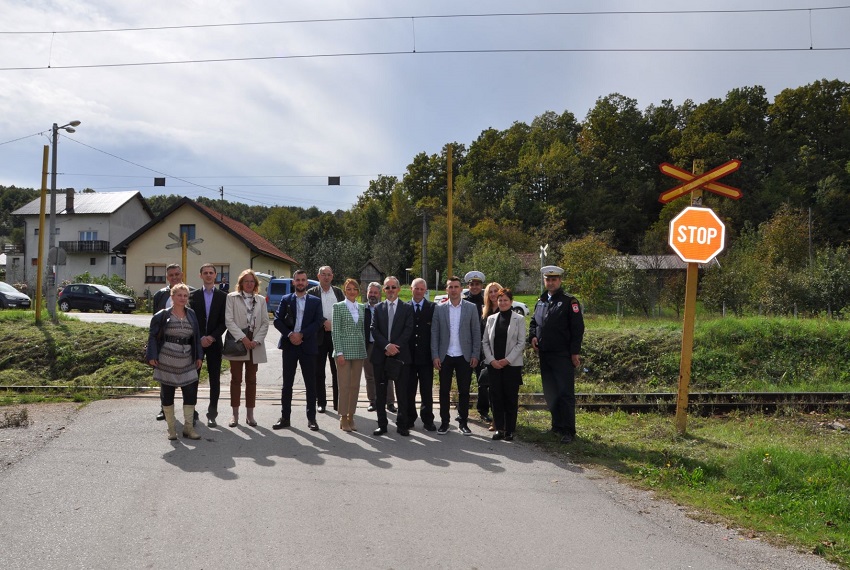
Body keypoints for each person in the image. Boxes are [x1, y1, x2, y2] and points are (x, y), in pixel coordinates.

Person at [528, 265, 585, 444]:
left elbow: (578, 329)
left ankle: (568, 430)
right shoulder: (542, 300)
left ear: (560, 281)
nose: (551, 282)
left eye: (554, 279)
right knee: (550, 392)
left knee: (565, 393)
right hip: (545, 353)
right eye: (548, 279)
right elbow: (533, 322)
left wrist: (575, 352)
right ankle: (557, 426)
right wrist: (532, 336)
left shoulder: (570, 301)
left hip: (562, 354)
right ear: (545, 281)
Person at [146, 283, 204, 441]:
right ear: (172, 297)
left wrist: (199, 356)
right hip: (166, 360)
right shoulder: (162, 315)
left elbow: (196, 337)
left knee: (191, 394)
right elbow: (152, 336)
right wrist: (152, 356)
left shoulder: (191, 314)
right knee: (167, 395)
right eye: (179, 295)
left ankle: (188, 428)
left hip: (187, 360)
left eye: (185, 296)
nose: (183, 298)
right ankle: (171, 429)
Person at [273, 270, 323, 432]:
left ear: (307, 282)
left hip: (307, 346)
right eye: (298, 280)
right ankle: (285, 417)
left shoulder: (315, 301)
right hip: (289, 346)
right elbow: (277, 320)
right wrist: (290, 335)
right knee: (287, 384)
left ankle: (312, 418)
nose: (300, 282)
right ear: (293, 282)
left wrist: (301, 335)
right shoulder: (286, 300)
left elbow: (318, 322)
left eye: (303, 280)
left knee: (311, 384)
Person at [431, 275, 481, 435]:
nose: (453, 290)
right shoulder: (439, 308)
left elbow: (476, 332)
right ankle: (444, 423)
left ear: (461, 289)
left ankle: (463, 422)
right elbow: (435, 333)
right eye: (450, 287)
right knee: (444, 391)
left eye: (456, 287)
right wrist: (435, 355)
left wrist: (475, 354)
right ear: (447, 289)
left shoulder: (471, 308)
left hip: (464, 356)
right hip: (445, 356)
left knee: (464, 391)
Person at [224, 269, 270, 428]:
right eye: (246, 281)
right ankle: (234, 415)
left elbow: (265, 322)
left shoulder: (261, 300)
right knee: (236, 379)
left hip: (254, 344)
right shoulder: (232, 298)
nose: (249, 284)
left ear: (256, 284)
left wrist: (256, 340)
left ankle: (250, 415)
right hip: (238, 342)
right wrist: (243, 338)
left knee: (251, 380)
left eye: (252, 281)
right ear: (241, 283)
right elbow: (229, 321)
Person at [370, 276, 414, 436]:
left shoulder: (407, 308)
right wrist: (386, 346)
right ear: (384, 290)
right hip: (380, 356)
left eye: (393, 287)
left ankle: (402, 425)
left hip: (401, 356)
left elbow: (408, 330)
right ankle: (382, 424)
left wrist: (395, 347)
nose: (390, 290)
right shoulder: (378, 308)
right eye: (387, 287)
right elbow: (373, 329)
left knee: (402, 392)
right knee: (380, 394)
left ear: (399, 289)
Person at [482, 288, 526, 442]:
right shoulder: (491, 319)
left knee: (510, 398)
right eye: (500, 300)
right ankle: (499, 428)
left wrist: (507, 360)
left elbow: (521, 343)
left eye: (506, 300)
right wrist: (492, 360)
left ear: (511, 301)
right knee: (496, 397)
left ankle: (510, 430)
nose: (502, 303)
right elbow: (485, 342)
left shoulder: (519, 319)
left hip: (511, 365)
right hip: (494, 365)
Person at [189, 263, 227, 428]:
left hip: (214, 342)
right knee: (192, 378)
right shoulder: (192, 296)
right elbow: (190, 320)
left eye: (211, 273)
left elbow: (224, 322)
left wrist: (211, 337)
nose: (209, 275)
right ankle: (192, 412)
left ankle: (212, 414)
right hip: (196, 343)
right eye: (205, 273)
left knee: (214, 379)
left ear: (215, 275)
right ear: (200, 275)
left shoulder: (223, 296)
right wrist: (200, 338)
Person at [331, 278, 367, 432]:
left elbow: (362, 330)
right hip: (343, 352)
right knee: (344, 386)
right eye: (349, 289)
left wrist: (364, 349)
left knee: (355, 386)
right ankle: (343, 416)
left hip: (358, 351)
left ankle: (352, 415)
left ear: (358, 291)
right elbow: (335, 331)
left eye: (355, 289)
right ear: (344, 290)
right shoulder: (338, 307)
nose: (352, 291)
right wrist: (339, 352)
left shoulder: (362, 307)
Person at [307, 266, 344, 413]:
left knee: (338, 371)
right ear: (318, 276)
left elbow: (344, 311)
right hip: (318, 336)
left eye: (329, 275)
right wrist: (323, 322)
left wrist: (334, 325)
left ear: (332, 276)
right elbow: (310, 314)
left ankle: (338, 402)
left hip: (336, 336)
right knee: (319, 371)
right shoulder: (312, 293)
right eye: (323, 274)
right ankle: (321, 401)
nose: (326, 277)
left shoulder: (338, 292)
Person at [153, 263, 184, 422]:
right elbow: (154, 322)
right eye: (171, 275)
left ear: (182, 275)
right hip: (165, 343)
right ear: (167, 277)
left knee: (188, 378)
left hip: (186, 344)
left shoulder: (190, 293)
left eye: (177, 274)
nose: (174, 277)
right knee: (165, 378)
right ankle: (164, 409)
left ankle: (190, 409)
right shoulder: (160, 295)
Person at [407, 277, 436, 431]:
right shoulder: (405, 307)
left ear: (425, 291)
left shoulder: (433, 308)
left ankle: (427, 419)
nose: (418, 291)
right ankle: (410, 418)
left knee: (426, 390)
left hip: (426, 357)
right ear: (411, 289)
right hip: (409, 358)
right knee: (409, 390)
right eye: (416, 288)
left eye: (421, 289)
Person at [363, 282, 396, 413]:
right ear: (366, 293)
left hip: (383, 346)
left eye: (375, 292)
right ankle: (373, 401)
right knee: (369, 376)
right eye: (370, 292)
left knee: (387, 375)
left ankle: (390, 402)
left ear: (380, 294)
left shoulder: (385, 308)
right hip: (368, 346)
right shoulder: (362, 309)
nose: (372, 295)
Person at [463, 270, 491, 424]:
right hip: (466, 347)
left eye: (477, 284)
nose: (474, 287)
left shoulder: (486, 302)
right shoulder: (463, 302)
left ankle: (483, 410)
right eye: (472, 284)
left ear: (482, 286)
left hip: (482, 348)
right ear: (468, 285)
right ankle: (463, 411)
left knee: (483, 382)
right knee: (464, 381)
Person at [479, 280, 504, 431]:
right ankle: (494, 418)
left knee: (501, 390)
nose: (493, 294)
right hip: (487, 356)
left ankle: (501, 420)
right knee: (490, 389)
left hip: (502, 356)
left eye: (496, 291)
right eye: (491, 292)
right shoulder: (485, 312)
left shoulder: (506, 309)